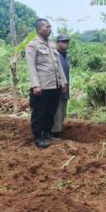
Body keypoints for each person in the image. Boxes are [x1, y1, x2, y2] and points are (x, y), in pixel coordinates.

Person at [25, 18, 67, 149]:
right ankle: (38, 136)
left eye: (50, 27)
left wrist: (63, 81)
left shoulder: (52, 45)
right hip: (42, 86)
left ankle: (48, 132)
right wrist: (35, 85)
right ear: (39, 29)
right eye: (46, 27)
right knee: (40, 112)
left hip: (54, 85)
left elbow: (58, 64)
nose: (49, 29)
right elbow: (31, 66)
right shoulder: (32, 45)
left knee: (51, 110)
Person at [51, 34, 71, 139]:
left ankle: (58, 130)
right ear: (57, 43)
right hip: (57, 88)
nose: (65, 44)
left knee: (63, 110)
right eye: (63, 42)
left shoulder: (66, 56)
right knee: (57, 111)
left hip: (65, 88)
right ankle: (54, 132)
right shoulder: (55, 55)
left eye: (67, 42)